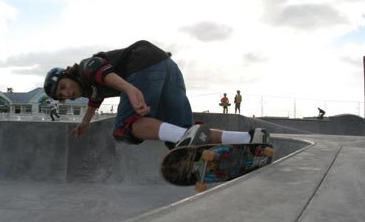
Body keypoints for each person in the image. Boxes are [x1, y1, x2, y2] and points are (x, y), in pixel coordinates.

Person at [43, 40, 269, 149]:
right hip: (167, 67)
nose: (67, 94)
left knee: (125, 127)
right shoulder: (92, 88)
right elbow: (94, 100)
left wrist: (130, 89)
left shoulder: (86, 67)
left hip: (143, 65)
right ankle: (249, 139)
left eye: (64, 87)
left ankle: (186, 138)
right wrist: (85, 123)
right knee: (185, 136)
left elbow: (105, 73)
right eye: (63, 97)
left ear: (68, 75)